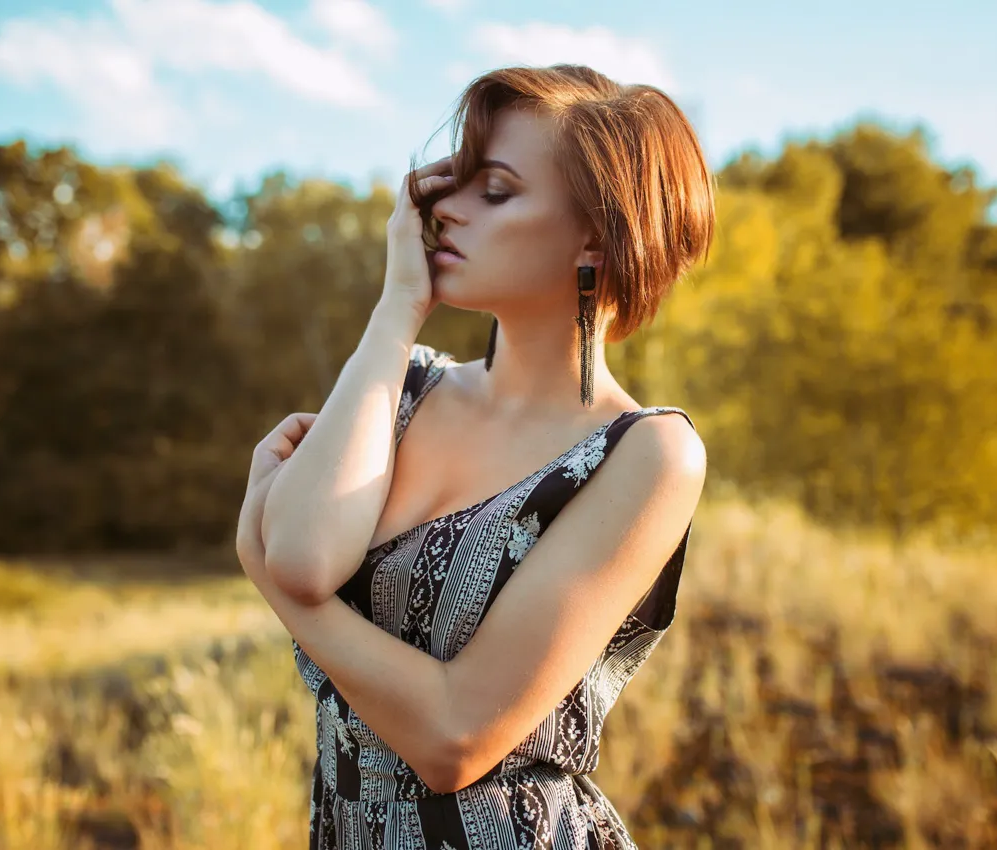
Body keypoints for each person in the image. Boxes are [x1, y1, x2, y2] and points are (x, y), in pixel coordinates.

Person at [235, 63, 712, 849]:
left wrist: (277, 590)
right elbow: (303, 556)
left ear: (595, 234)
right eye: (447, 184)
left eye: (492, 191)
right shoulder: (405, 384)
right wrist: (395, 309)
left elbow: (456, 738)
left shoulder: (648, 453)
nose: (444, 212)